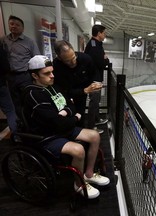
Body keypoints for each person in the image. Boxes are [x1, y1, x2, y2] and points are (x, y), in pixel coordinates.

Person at [23, 55, 110, 199]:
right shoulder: (33, 94)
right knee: (78, 149)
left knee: (94, 136)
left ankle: (88, 174)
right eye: (46, 73)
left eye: (52, 72)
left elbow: (71, 105)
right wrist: (74, 117)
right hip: (47, 136)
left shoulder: (53, 87)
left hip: (62, 129)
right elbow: (57, 122)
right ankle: (79, 185)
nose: (52, 76)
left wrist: (66, 112)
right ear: (34, 75)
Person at [53, 40, 103, 133]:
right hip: (67, 92)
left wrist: (96, 83)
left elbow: (94, 72)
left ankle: (81, 134)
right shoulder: (56, 66)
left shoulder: (85, 58)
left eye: (73, 57)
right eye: (68, 61)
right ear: (59, 58)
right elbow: (62, 89)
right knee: (68, 115)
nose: (73, 62)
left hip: (82, 88)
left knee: (80, 113)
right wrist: (83, 91)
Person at [2, 15, 40, 117]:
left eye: (17, 25)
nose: (14, 26)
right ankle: (20, 124)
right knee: (15, 102)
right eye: (11, 24)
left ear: (22, 28)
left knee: (28, 99)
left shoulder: (29, 42)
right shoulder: (3, 40)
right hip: (10, 76)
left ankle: (30, 122)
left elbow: (37, 59)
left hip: (25, 75)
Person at [84, 24, 109, 130]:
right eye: (104, 33)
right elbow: (101, 63)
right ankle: (91, 127)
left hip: (95, 76)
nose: (105, 35)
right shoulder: (94, 46)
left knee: (96, 101)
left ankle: (97, 119)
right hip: (94, 78)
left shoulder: (96, 44)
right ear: (99, 34)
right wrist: (106, 60)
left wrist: (103, 58)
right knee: (94, 102)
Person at [0, 40, 18, 139]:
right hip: (0, 85)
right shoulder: (1, 49)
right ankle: (16, 136)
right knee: (10, 111)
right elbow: (6, 67)